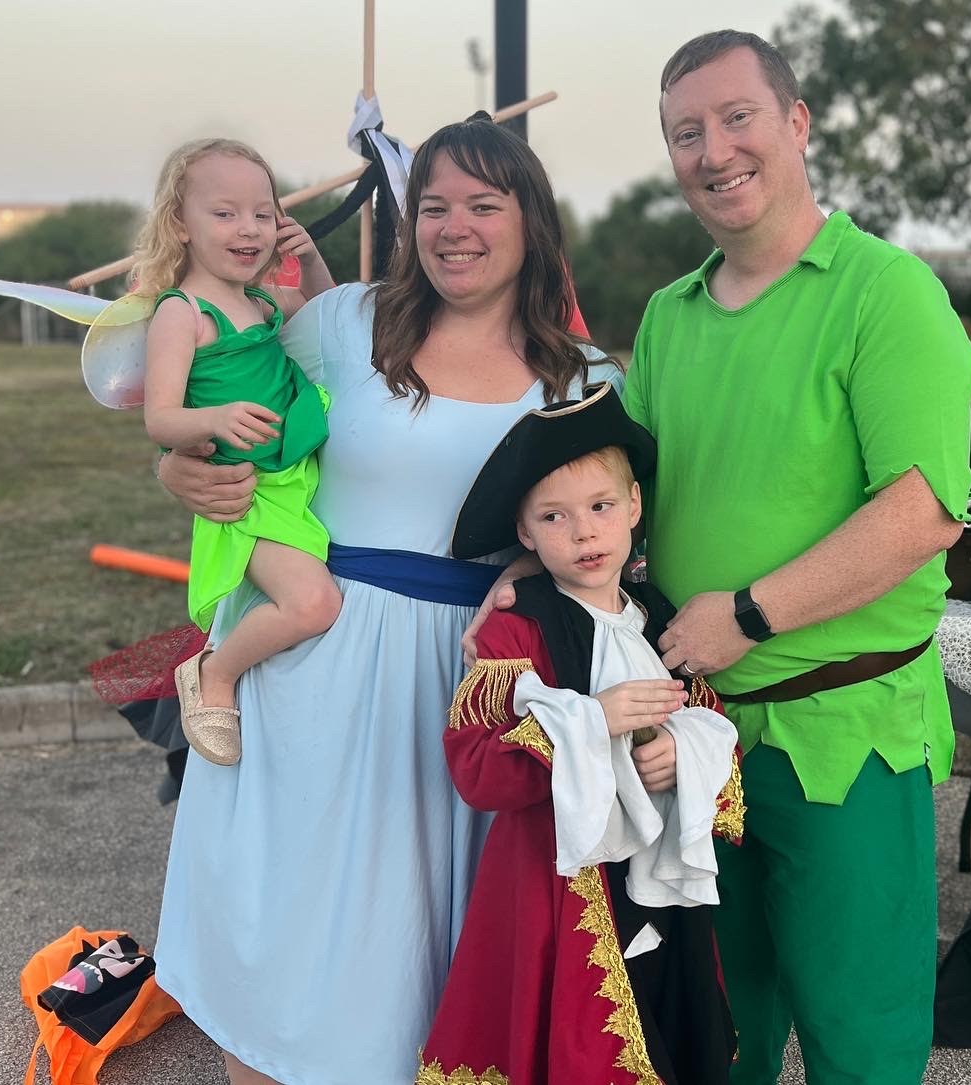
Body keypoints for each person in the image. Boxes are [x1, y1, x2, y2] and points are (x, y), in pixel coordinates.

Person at [151, 116, 630, 1085]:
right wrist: (175, 470)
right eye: (435, 206)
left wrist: (526, 573)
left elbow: (602, 530)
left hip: (465, 681)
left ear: (531, 221)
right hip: (311, 659)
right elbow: (222, 402)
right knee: (283, 934)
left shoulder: (584, 379)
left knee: (416, 946)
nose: (455, 227)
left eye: (483, 205)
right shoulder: (346, 321)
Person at [625, 30, 971, 1085]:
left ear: (796, 122)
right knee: (714, 1030)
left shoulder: (885, 292)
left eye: (736, 118)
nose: (714, 151)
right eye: (686, 133)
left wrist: (747, 613)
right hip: (700, 734)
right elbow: (622, 489)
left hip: (846, 737)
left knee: (857, 1036)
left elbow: (920, 512)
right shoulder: (669, 315)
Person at [420, 384, 742, 1085]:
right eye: (554, 516)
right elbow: (477, 769)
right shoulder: (515, 630)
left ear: (634, 506)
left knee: (665, 1021)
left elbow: (713, 725)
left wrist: (681, 754)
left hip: (659, 878)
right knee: (581, 1037)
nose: (584, 533)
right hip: (559, 882)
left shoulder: (662, 619)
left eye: (601, 507)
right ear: (526, 532)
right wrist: (592, 722)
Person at [134, 138, 339, 766]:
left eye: (262, 213)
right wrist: (214, 418)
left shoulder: (263, 301)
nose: (248, 228)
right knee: (313, 604)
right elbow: (160, 418)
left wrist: (312, 261)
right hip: (248, 492)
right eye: (224, 214)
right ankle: (213, 674)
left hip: (294, 476)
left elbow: (331, 319)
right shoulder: (183, 313)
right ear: (181, 224)